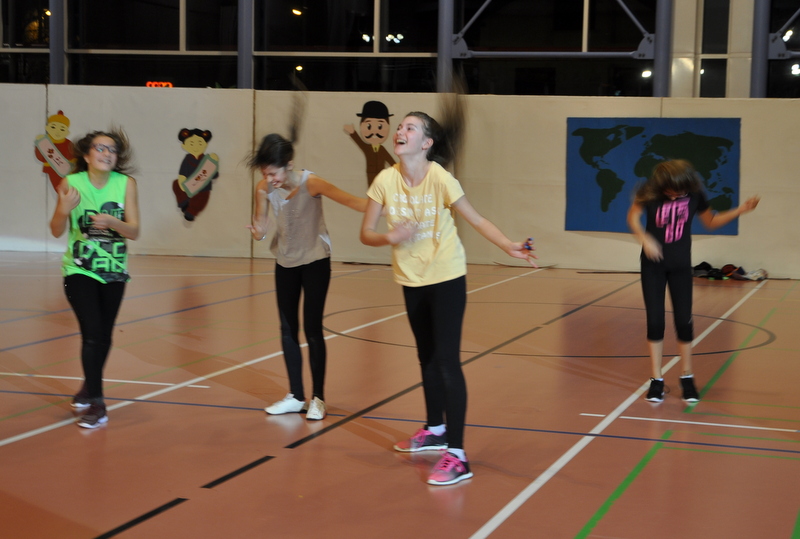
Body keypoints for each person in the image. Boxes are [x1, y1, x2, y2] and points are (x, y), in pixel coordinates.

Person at [360, 106, 537, 486]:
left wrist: (508, 245)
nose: (400, 131)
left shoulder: (440, 177)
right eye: (400, 126)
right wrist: (390, 237)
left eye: (410, 128)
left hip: (446, 277)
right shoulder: (385, 180)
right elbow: (366, 233)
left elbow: (476, 218)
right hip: (410, 279)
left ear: (426, 143)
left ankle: (457, 455)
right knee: (426, 357)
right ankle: (435, 430)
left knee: (446, 361)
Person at [247, 133, 367, 421]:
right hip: (285, 263)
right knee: (287, 329)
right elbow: (260, 227)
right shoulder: (263, 188)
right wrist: (259, 232)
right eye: (265, 174)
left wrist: (391, 208)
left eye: (273, 173)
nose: (269, 179)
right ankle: (295, 396)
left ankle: (318, 399)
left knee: (312, 329)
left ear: (288, 164)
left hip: (315, 262)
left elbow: (352, 201)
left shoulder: (311, 183)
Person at [627, 159, 759, 404]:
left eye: (680, 193)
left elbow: (711, 222)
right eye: (670, 192)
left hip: (680, 266)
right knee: (655, 322)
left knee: (684, 323)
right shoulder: (649, 191)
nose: (675, 196)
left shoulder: (695, 194)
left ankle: (687, 377)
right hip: (653, 267)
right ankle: (656, 380)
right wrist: (644, 239)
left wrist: (740, 210)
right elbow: (633, 217)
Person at [49, 128, 140, 429]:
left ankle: (88, 387)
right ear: (87, 156)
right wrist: (63, 210)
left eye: (112, 150)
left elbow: (134, 231)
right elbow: (56, 230)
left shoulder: (126, 184)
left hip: (114, 270)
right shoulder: (71, 183)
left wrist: (114, 222)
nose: (106, 154)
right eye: (100, 148)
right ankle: (98, 405)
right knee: (91, 333)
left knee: (104, 335)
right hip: (79, 269)